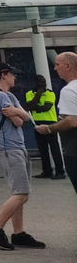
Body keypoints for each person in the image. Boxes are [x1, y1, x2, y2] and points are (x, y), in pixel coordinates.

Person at [0, 63, 44, 249]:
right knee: (21, 193)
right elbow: (19, 121)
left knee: (19, 192)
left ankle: (19, 233)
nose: (15, 77)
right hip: (10, 148)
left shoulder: (8, 96)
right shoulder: (0, 96)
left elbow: (24, 117)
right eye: (12, 74)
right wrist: (20, 113)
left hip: (16, 147)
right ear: (3, 75)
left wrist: (19, 112)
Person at [35, 51, 77, 194]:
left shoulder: (69, 90)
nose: (55, 68)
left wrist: (48, 129)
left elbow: (71, 121)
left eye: (57, 64)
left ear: (67, 66)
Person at [25, 74, 64, 180]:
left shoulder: (50, 93)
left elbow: (46, 107)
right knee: (42, 149)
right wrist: (38, 94)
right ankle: (47, 171)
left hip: (50, 123)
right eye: (40, 82)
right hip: (37, 123)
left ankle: (60, 171)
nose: (43, 84)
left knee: (54, 148)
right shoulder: (29, 93)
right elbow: (29, 106)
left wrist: (35, 105)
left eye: (44, 82)